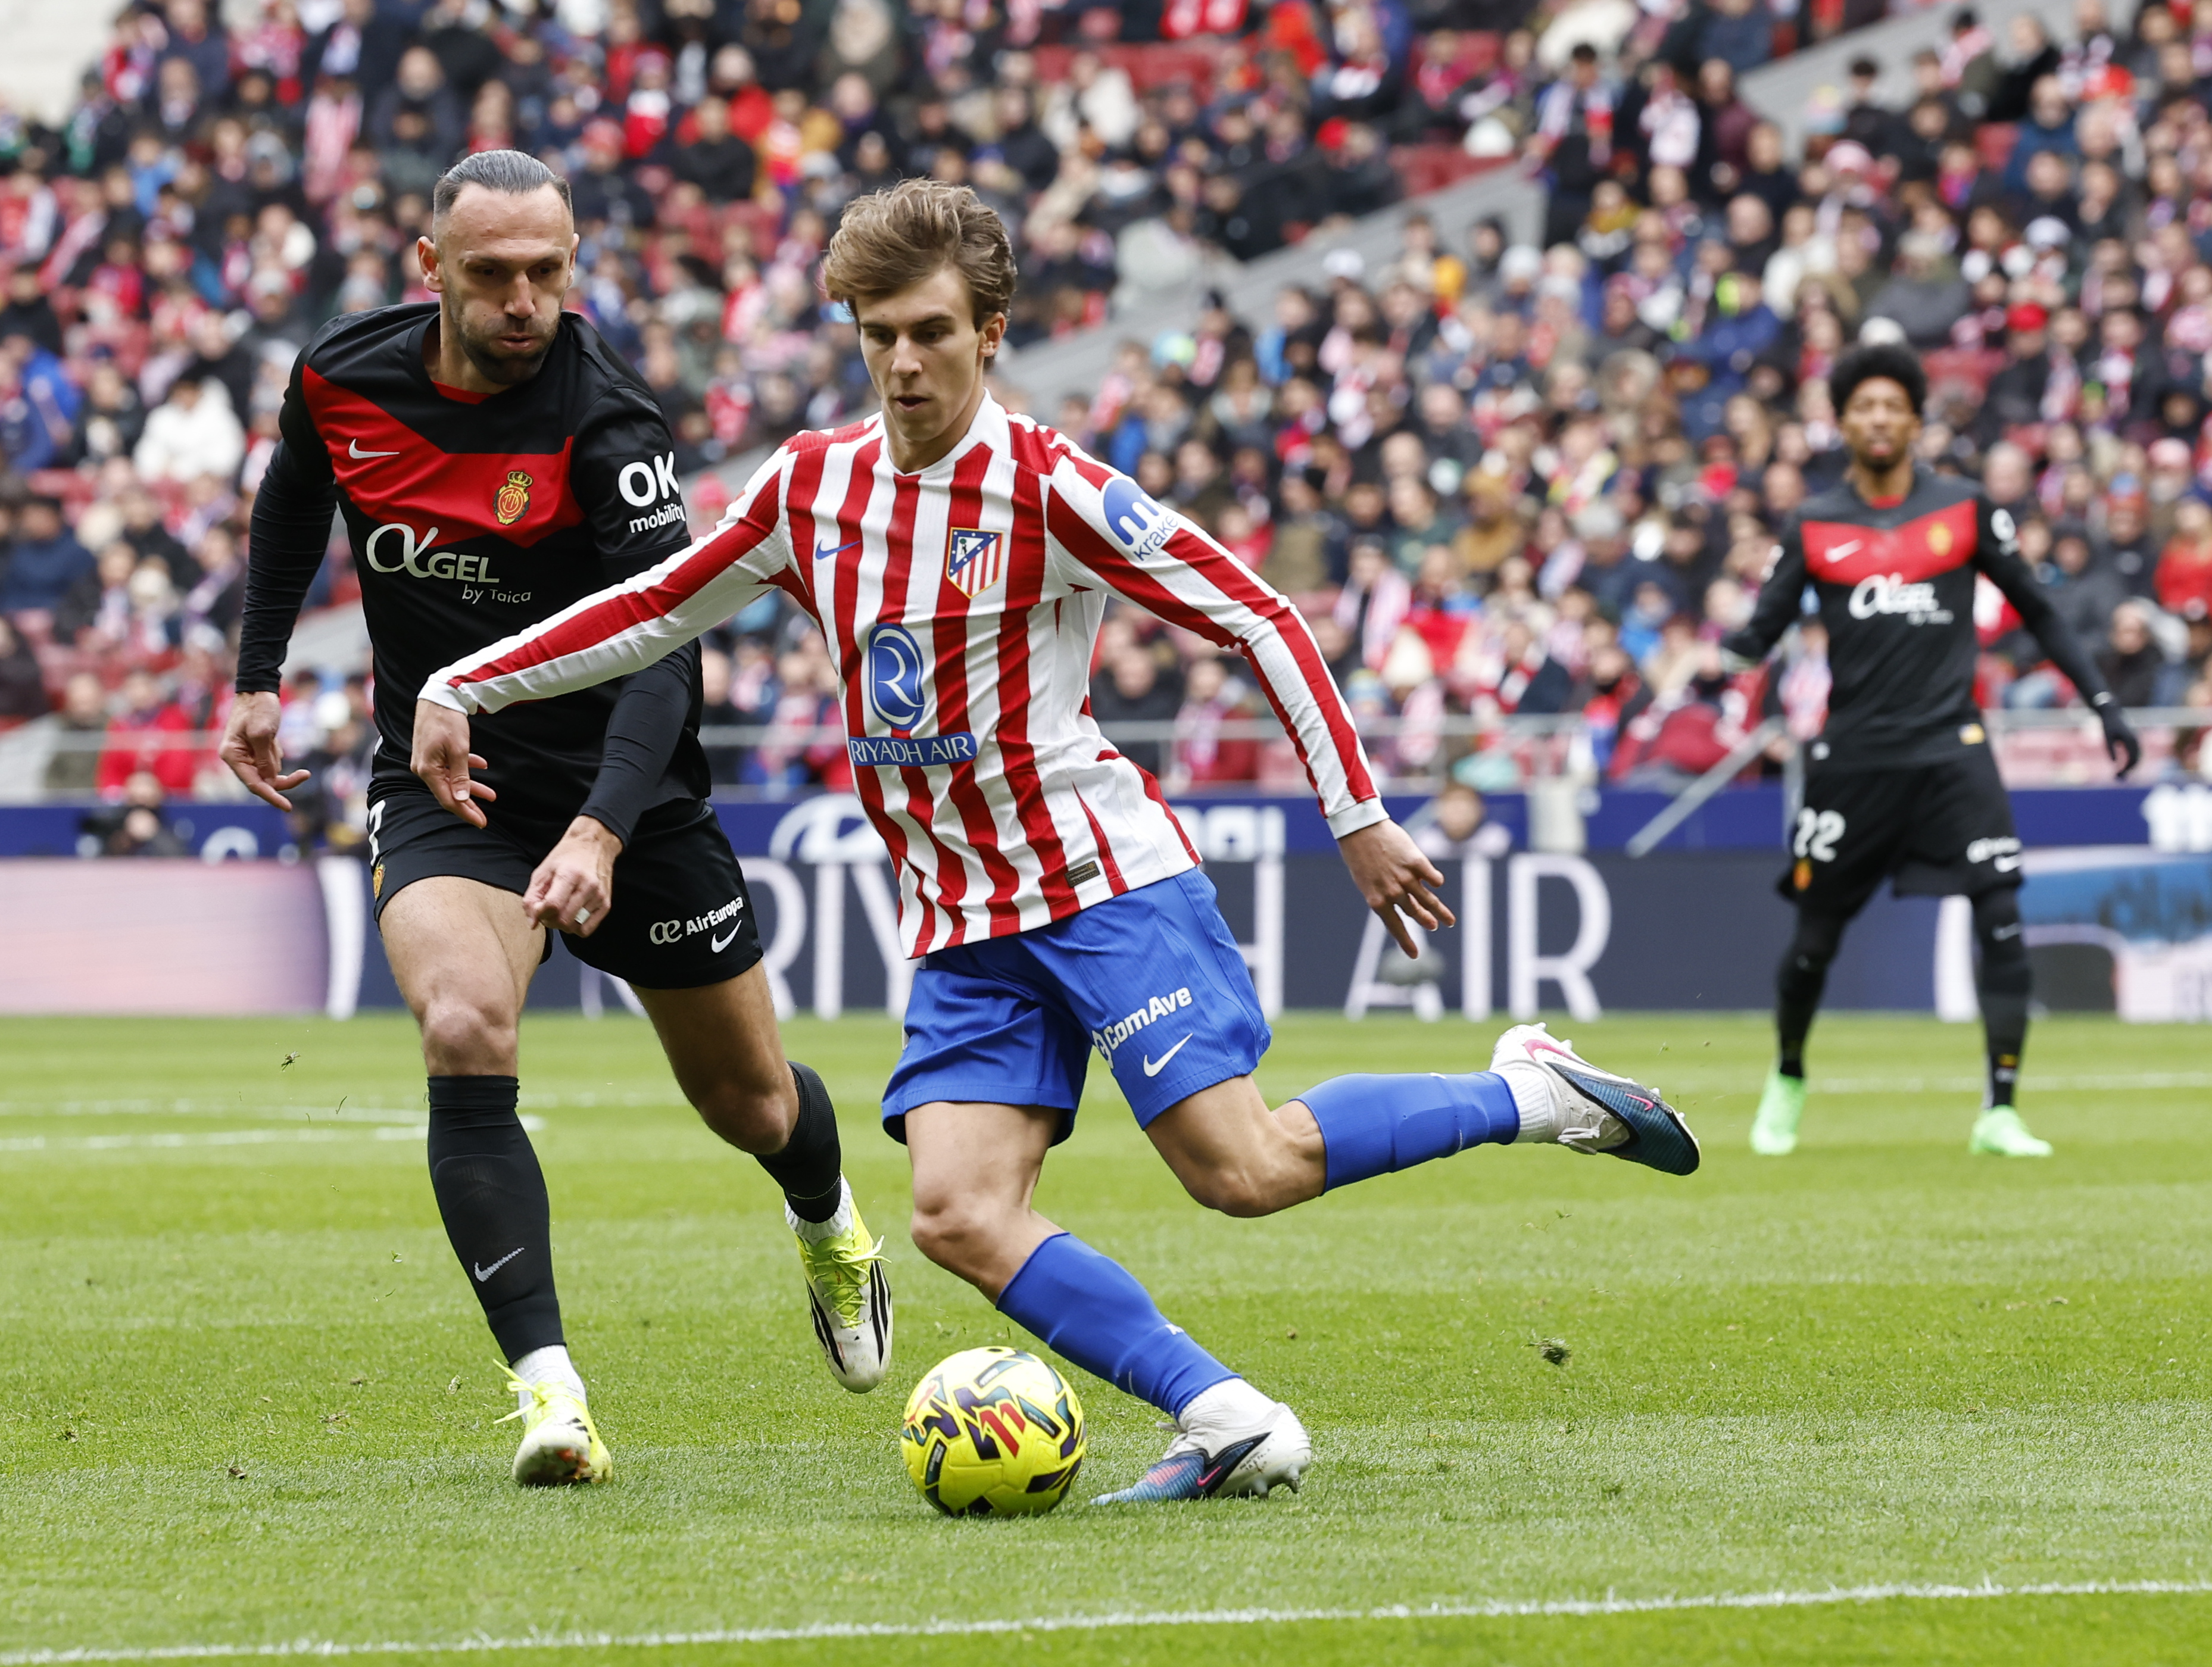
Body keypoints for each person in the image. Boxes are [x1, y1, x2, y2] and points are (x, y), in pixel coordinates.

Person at [412, 180, 1699, 1507]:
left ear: (991, 330)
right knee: (955, 1210)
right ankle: (1230, 1413)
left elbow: (1256, 615)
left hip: (1099, 884)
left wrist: (1357, 815)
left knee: (1241, 1169)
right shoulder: (813, 485)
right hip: (963, 920)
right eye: (877, 336)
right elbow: (654, 604)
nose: (902, 363)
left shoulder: (1051, 487)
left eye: (929, 332)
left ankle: (1532, 1089)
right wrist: (466, 684)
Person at [223, 151, 888, 1490]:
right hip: (448, 780)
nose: (526, 299)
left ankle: (827, 1219)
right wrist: (256, 673)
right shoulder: (343, 374)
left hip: (629, 789)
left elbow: (668, 642)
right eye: (493, 274)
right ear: (432, 270)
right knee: (465, 1021)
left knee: (750, 1100)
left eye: (549, 271)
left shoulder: (607, 423)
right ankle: (551, 1396)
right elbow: (299, 492)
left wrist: (599, 827)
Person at [1723, 344, 2141, 1161]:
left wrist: (2103, 703)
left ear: (1916, 419)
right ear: (1841, 422)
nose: (1879, 419)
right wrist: (1725, 651)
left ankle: (2001, 1109)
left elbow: (2042, 613)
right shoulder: (1812, 522)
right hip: (1852, 760)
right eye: (1863, 407)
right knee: (1814, 941)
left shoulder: (1967, 509)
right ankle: (1789, 1080)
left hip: (1953, 750)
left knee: (2004, 919)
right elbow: (1758, 635)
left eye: (1893, 406)